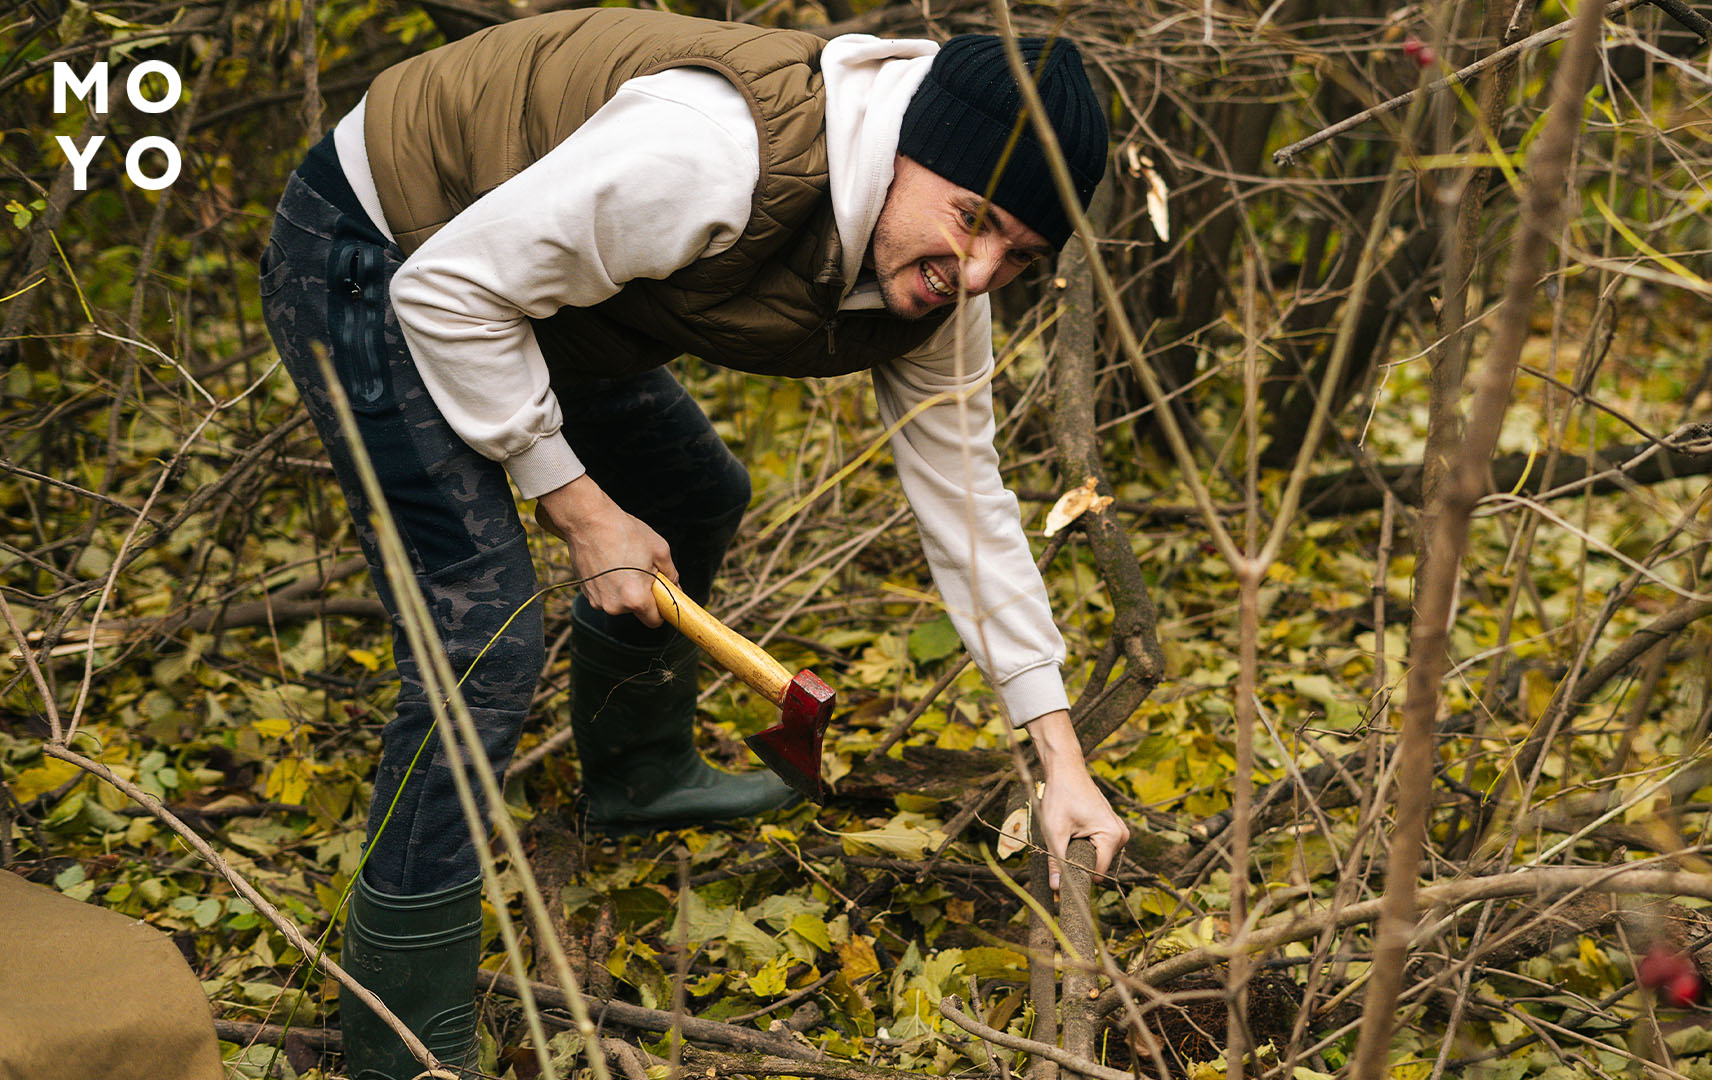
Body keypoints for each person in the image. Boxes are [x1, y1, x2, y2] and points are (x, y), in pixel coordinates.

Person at [258, 9, 1130, 1077]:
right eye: (974, 217)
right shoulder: (713, 152)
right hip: (383, 245)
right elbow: (447, 290)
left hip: (539, 297)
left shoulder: (936, 285)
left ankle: (638, 774)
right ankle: (402, 1044)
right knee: (480, 636)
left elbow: (970, 503)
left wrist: (1060, 761)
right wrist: (580, 509)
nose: (984, 268)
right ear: (909, 144)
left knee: (691, 490)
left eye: (1020, 253)